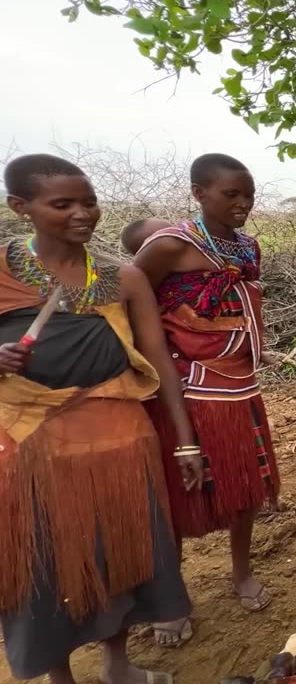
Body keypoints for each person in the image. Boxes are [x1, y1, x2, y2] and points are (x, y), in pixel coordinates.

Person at [0, 154, 200, 684]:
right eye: (61, 203)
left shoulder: (123, 277)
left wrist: (185, 442)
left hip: (120, 437)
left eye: (87, 201)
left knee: (122, 555)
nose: (81, 213)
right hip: (32, 442)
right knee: (50, 567)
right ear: (21, 208)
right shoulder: (0, 270)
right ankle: (60, 677)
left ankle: (118, 666)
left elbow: (159, 363)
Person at [132, 153, 278, 646]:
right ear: (198, 193)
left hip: (241, 387)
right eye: (230, 194)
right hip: (189, 389)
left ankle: (240, 574)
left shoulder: (246, 246)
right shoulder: (170, 245)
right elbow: (131, 305)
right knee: (178, 495)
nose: (243, 204)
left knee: (244, 489)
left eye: (248, 195)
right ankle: (170, 598)